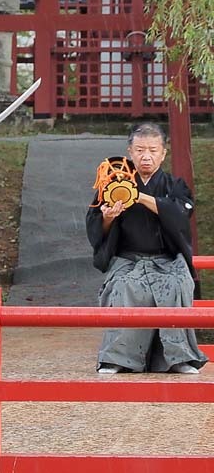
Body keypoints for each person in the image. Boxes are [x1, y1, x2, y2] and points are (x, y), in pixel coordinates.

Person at [86, 122, 208, 374]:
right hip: (128, 260)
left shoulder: (175, 185)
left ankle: (179, 358)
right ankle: (118, 359)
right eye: (140, 150)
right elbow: (96, 225)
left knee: (178, 285)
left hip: (167, 261)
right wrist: (109, 216)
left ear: (163, 154)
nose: (146, 156)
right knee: (122, 287)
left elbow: (179, 215)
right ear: (130, 151)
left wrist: (138, 196)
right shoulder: (112, 182)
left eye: (153, 150)